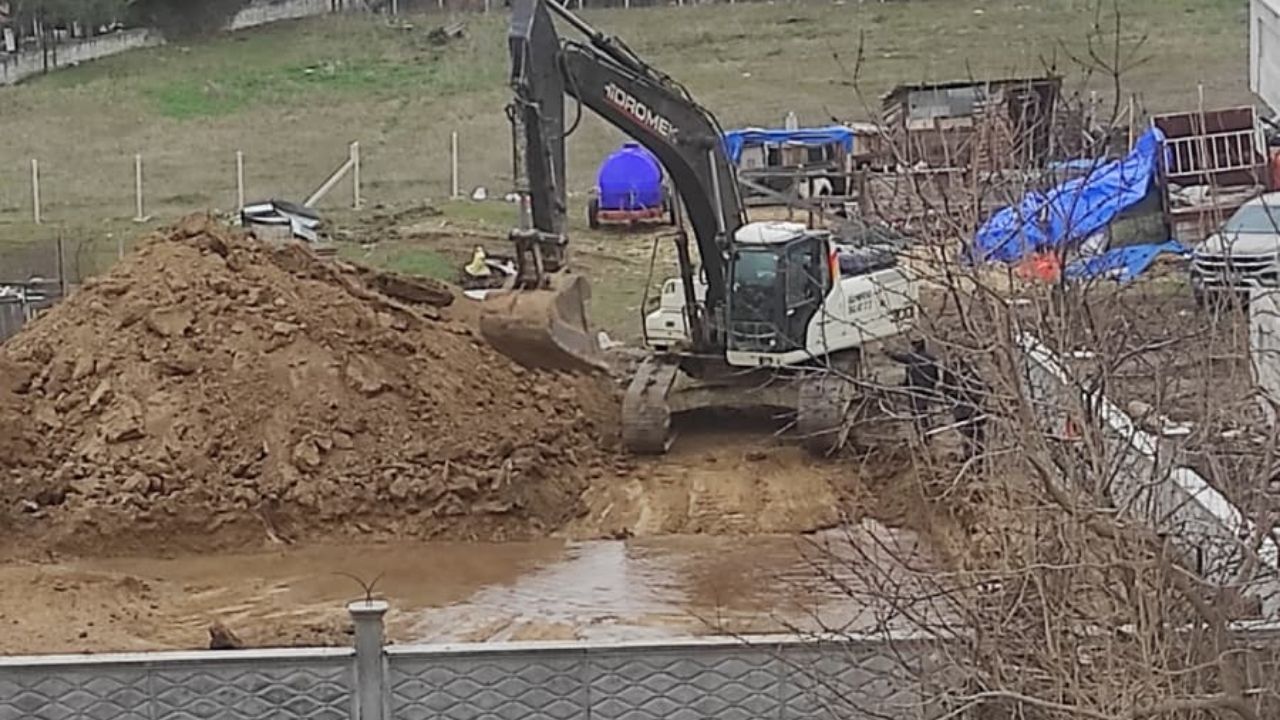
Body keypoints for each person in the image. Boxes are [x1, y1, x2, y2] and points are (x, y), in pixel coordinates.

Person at [887, 339, 942, 442]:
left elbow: (897, 357)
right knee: (924, 411)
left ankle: (923, 435)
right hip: (927, 390)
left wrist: (884, 350)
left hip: (916, 390)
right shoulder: (931, 359)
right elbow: (936, 376)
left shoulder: (912, 358)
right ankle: (927, 433)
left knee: (917, 413)